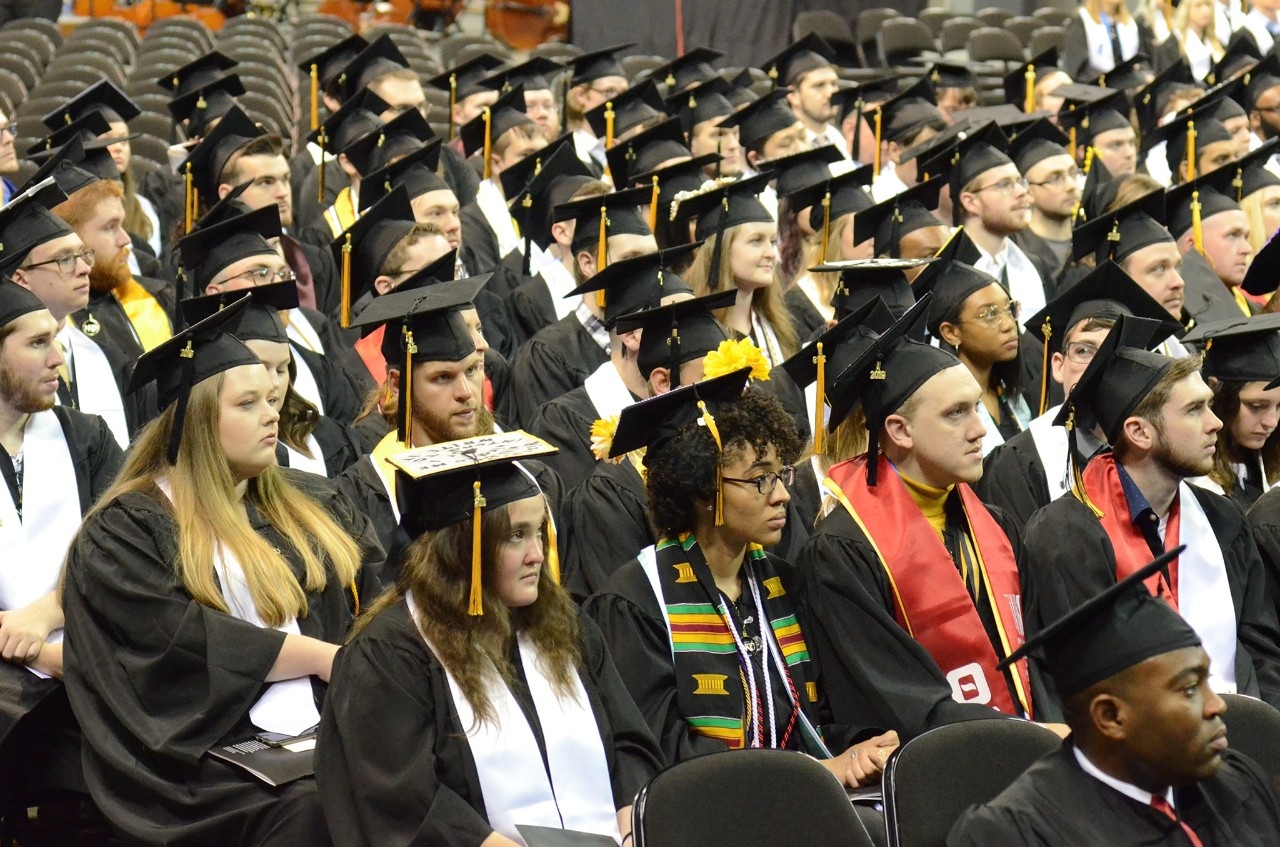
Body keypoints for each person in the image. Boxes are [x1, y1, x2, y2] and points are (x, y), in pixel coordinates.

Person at [61, 296, 383, 847]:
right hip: (201, 759)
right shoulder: (128, 530)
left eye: (271, 398)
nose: (272, 413)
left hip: (327, 720)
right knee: (314, 807)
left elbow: (370, 607)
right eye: (248, 403)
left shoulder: (312, 502)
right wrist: (325, 659)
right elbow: (177, 650)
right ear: (198, 421)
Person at [317, 432, 663, 846]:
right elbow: (402, 803)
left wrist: (630, 824)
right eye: (516, 536)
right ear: (460, 550)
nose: (537, 553)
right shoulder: (391, 655)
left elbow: (628, 743)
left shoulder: (563, 624)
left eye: (539, 531)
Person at [585, 371, 900, 813]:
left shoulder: (782, 584)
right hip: (708, 819)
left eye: (780, 475)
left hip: (800, 804)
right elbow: (661, 757)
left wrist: (862, 747)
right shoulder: (637, 602)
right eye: (760, 480)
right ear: (703, 492)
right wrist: (816, 771)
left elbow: (813, 721)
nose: (783, 497)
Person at [795, 297, 1054, 740]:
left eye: (976, 407)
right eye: (956, 413)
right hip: (931, 772)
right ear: (899, 431)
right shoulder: (842, 552)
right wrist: (1034, 736)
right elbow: (899, 700)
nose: (980, 430)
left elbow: (1041, 663)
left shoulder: (995, 526)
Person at [1021, 315, 1280, 718]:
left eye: (1210, 406)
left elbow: (1260, 649)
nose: (1215, 424)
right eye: (1195, 410)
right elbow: (1073, 679)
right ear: (1140, 433)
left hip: (1237, 739)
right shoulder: (1065, 536)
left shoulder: (1221, 517)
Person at [948, 551, 1280, 846]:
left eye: (1207, 681)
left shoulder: (1236, 781)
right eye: (1190, 689)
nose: (1218, 705)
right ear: (1110, 716)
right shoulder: (1016, 834)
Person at [0, 278, 122, 802]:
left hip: (88, 646)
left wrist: (51, 613)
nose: (58, 360)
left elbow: (127, 552)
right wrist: (36, 654)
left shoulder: (87, 437)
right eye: (36, 344)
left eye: (55, 341)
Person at [977, 261, 1181, 533]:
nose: (1100, 365)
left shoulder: (1167, 449)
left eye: (1120, 351)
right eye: (1085, 351)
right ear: (1059, 366)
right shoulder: (1017, 465)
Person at [526, 247, 698, 490]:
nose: (697, 334)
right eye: (680, 322)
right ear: (631, 334)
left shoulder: (687, 408)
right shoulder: (563, 423)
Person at [507, 186, 658, 428]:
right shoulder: (547, 356)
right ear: (587, 264)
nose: (647, 270)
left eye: (653, 259)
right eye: (630, 258)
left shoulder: (661, 340)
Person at [182, 283, 363, 479]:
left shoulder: (327, 438)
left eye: (281, 369)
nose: (274, 382)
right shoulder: (216, 453)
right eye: (261, 367)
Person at [1, 183, 132, 448]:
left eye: (83, 255)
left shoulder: (113, 359)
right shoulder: (9, 379)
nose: (84, 269)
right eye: (65, 259)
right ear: (20, 278)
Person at [922, 121, 1049, 322]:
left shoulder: (1035, 266)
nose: (1022, 192)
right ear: (970, 202)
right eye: (1005, 185)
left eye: (1020, 181)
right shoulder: (942, 273)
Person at [679, 176, 799, 372]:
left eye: (772, 241)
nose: (771, 254)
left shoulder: (780, 328)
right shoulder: (694, 336)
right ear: (720, 250)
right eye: (756, 240)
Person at [924, 261, 1032, 456]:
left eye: (1009, 309)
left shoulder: (1011, 394)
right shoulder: (945, 410)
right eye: (990, 314)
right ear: (951, 333)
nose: (1009, 325)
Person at [1182, 314, 1280, 507]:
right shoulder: (1191, 480)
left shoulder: (1267, 459)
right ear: (1213, 390)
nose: (1272, 422)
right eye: (1257, 406)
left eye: (1279, 407)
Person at [1010, 120, 1081, 290]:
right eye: (1055, 178)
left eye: (1073, 173)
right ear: (1028, 192)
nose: (1071, 185)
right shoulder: (1016, 252)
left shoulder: (1090, 243)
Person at [761, 34, 848, 158]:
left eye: (834, 84)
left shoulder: (842, 139)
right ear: (793, 95)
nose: (831, 93)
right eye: (819, 85)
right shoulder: (786, 151)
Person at [1062, 0, 1152, 81]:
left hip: (1128, 85)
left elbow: (1141, 57)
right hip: (1096, 87)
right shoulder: (1081, 21)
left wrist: (1144, 76)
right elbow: (1079, 67)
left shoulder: (1129, 23)